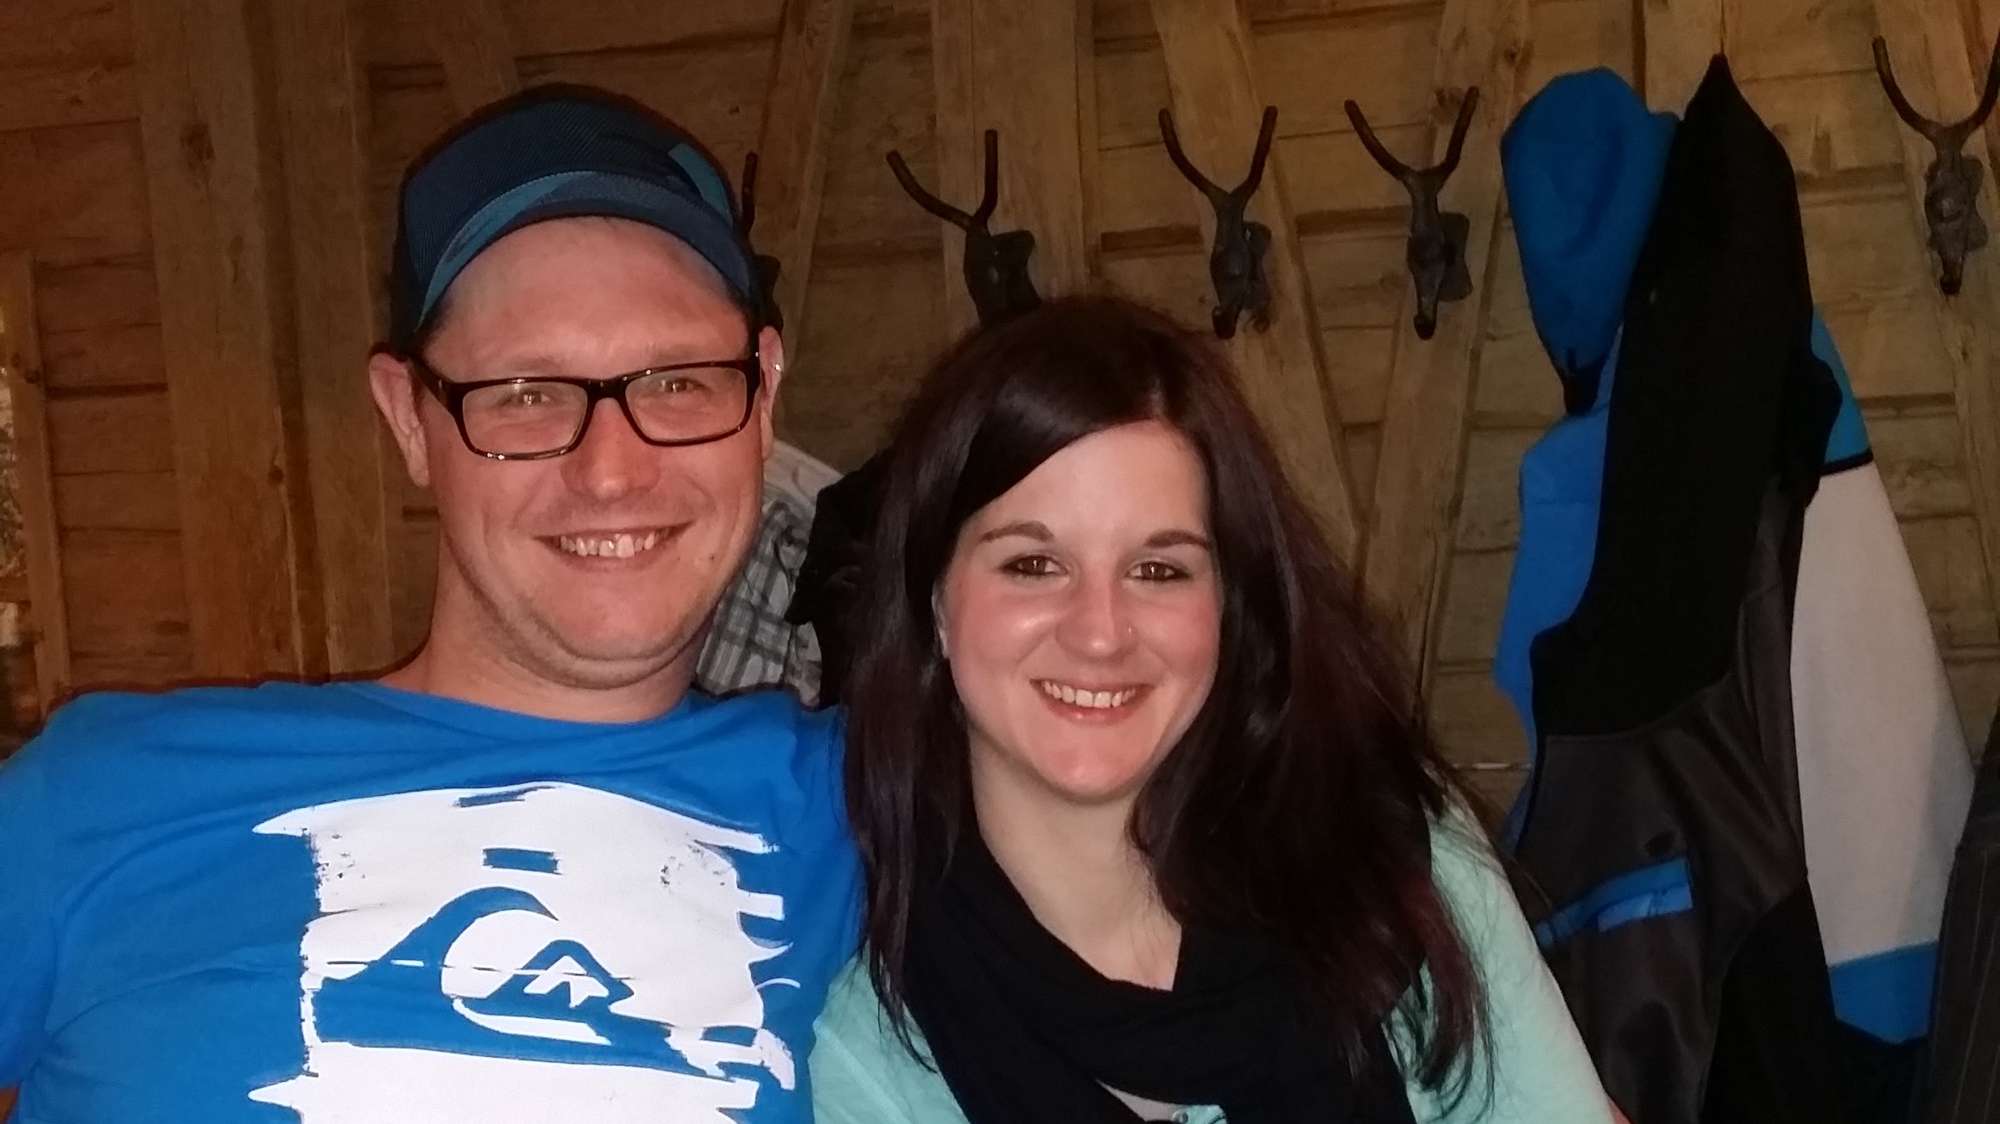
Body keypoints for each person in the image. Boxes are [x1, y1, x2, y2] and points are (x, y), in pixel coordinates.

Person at [0, 86, 856, 1122]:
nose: (612, 470)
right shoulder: (103, 793)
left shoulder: (867, 801)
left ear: (762, 395)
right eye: (525, 394)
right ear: (409, 419)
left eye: (677, 381)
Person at [809, 296, 1615, 1123]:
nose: (1100, 632)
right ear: (935, 602)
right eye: (1033, 565)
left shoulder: (1400, 866)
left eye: (1159, 570)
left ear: (1229, 606)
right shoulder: (874, 1063)